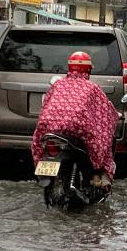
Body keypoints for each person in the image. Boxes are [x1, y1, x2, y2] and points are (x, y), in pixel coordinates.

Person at [31, 50, 119, 187]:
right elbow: (104, 112)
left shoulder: (58, 85)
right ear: (88, 70)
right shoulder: (92, 88)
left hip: (50, 129)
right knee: (101, 141)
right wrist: (115, 115)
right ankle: (96, 174)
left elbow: (45, 106)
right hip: (77, 130)